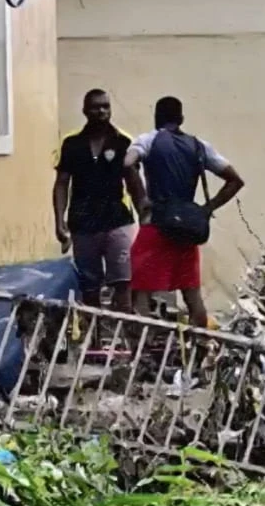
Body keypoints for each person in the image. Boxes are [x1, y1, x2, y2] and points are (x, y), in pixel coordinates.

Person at [123, 96, 245, 329]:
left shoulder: (148, 140)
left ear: (157, 118)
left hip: (156, 224)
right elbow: (235, 180)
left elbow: (128, 163)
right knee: (192, 294)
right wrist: (207, 209)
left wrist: (142, 201)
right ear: (181, 119)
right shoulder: (200, 146)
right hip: (187, 229)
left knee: (141, 292)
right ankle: (200, 350)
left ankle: (144, 351)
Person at [53, 89, 143, 311]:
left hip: (117, 220)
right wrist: (59, 220)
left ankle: (123, 337)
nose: (102, 111)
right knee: (89, 286)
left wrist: (146, 219)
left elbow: (134, 184)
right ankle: (93, 337)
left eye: (106, 106)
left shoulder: (123, 142)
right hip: (83, 223)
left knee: (123, 282)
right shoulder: (71, 144)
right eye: (96, 107)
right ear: (85, 111)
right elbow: (62, 183)